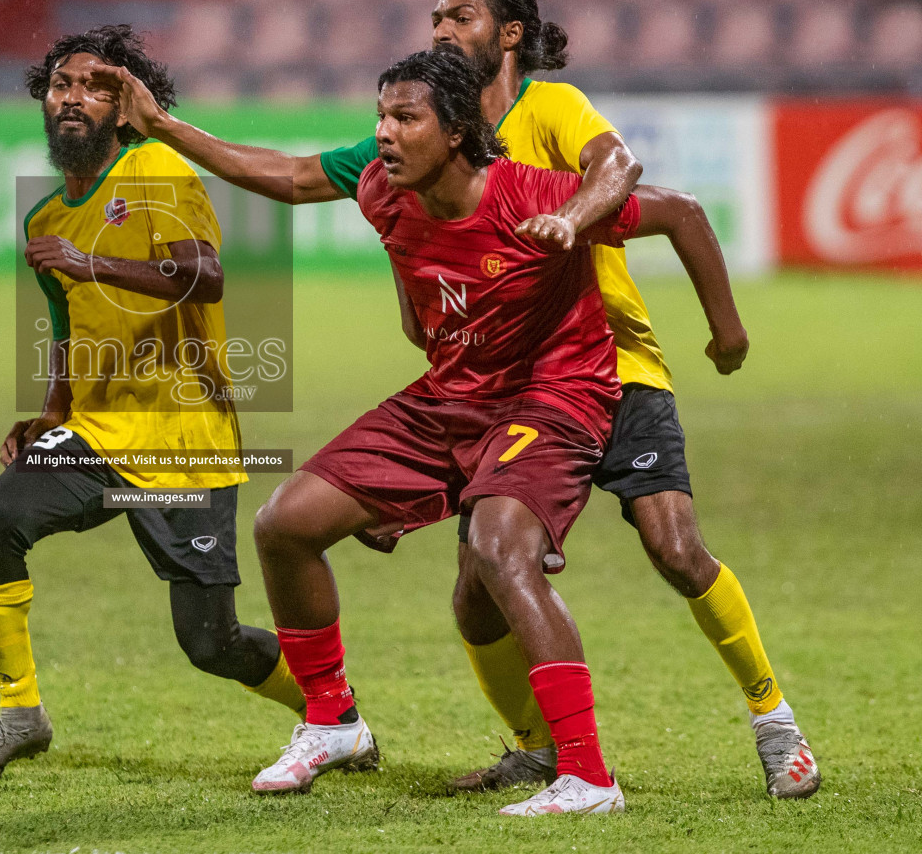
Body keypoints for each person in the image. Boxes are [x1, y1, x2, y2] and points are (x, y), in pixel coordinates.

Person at [91, 0, 819, 801]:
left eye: (459, 16)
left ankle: (767, 723)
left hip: (601, 371)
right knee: (436, 580)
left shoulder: (547, 116)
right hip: (468, 385)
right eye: (434, 17)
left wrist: (581, 228)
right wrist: (163, 128)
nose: (441, 29)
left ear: (508, 37)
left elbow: (638, 182)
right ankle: (461, 740)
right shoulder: (394, 166)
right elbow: (291, 181)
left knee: (672, 550)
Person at [230, 49, 739, 813]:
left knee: (501, 552)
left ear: (459, 129)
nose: (383, 134)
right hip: (451, 400)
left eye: (405, 119)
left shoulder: (534, 193)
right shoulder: (381, 190)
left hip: (557, 397)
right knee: (284, 523)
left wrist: (725, 335)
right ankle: (332, 720)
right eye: (381, 116)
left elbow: (682, 211)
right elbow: (405, 283)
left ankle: (588, 777)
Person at [0, 26, 305, 782]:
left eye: (95, 85)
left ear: (124, 107)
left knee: (210, 644)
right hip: (96, 431)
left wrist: (90, 261)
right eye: (59, 84)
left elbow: (203, 276)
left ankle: (333, 714)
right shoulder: (45, 218)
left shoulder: (156, 169)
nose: (71, 96)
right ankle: (21, 714)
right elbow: (67, 326)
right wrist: (49, 413)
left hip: (183, 437)